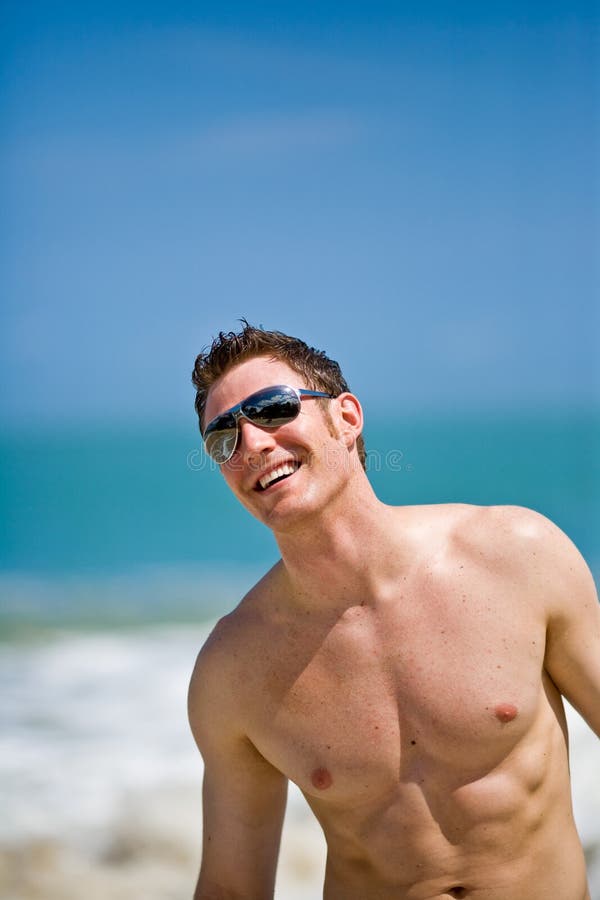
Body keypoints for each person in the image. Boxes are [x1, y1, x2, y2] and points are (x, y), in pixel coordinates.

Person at [187, 322, 600, 900]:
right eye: (223, 438)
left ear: (346, 419)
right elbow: (232, 888)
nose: (252, 442)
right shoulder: (232, 667)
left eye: (274, 408)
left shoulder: (518, 554)